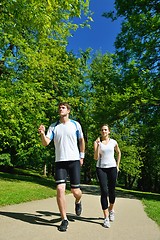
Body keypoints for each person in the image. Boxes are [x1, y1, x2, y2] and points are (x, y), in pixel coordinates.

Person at [38, 102, 85, 232]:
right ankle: (64, 219)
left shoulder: (75, 125)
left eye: (63, 107)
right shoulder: (54, 127)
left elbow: (81, 140)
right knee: (60, 189)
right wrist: (42, 134)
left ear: (68, 111)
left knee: (76, 191)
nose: (60, 109)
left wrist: (82, 156)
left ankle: (78, 201)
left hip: (74, 160)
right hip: (60, 162)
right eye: (59, 107)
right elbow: (46, 142)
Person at [94, 124, 121, 228]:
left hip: (112, 168)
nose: (104, 131)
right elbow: (96, 158)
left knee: (112, 191)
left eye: (105, 130)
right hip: (101, 168)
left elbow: (118, 153)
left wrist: (117, 165)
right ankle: (106, 218)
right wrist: (97, 146)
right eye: (102, 130)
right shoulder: (97, 142)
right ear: (100, 132)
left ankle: (111, 209)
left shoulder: (114, 142)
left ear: (109, 131)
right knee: (104, 191)